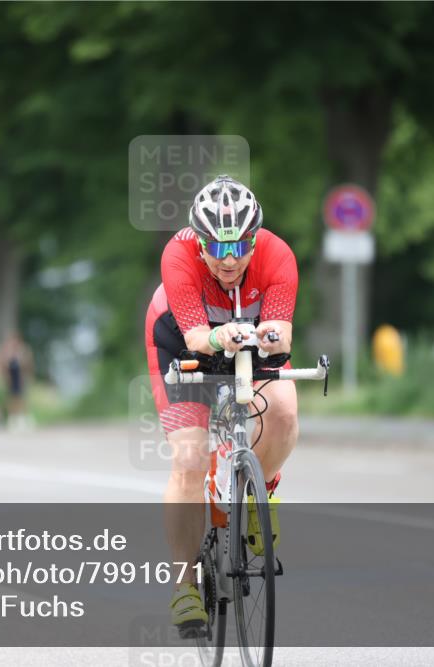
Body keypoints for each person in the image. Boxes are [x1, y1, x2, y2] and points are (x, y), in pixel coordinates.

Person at [144, 175, 299, 635]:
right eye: (217, 248)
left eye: (241, 246)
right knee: (189, 457)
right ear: (199, 242)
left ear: (255, 238)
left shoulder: (277, 255)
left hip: (248, 343)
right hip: (182, 342)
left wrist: (271, 336)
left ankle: (262, 489)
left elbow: (283, 334)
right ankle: (184, 584)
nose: (229, 260)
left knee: (285, 411)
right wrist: (217, 337)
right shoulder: (177, 254)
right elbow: (195, 336)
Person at [0, 331, 34, 431]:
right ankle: (12, 420)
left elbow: (29, 364)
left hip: (21, 378)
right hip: (11, 379)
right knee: (12, 399)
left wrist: (28, 376)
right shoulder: (6, 351)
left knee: (22, 399)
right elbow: (3, 365)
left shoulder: (24, 350)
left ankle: (24, 420)